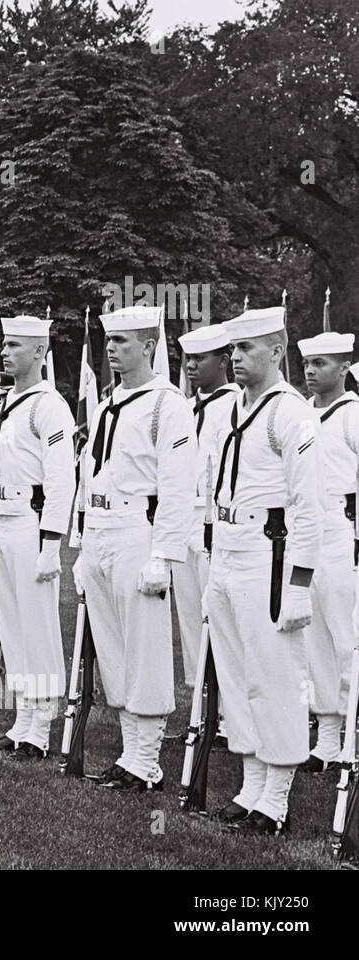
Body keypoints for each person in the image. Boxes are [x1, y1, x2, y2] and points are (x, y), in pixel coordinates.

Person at [203, 307, 321, 833]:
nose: (234, 358)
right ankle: (251, 784)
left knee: (275, 675)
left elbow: (308, 504)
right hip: (228, 549)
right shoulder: (232, 408)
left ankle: (276, 798)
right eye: (231, 350)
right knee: (237, 675)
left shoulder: (290, 413)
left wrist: (299, 583)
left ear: (276, 352)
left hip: (268, 555)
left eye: (246, 349)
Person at [75, 306, 195, 789]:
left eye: (122, 341)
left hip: (138, 528)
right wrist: (82, 543)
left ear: (149, 346)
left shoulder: (168, 405)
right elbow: (89, 474)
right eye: (109, 341)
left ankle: (148, 760)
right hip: (102, 526)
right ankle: (129, 755)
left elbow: (178, 486)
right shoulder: (107, 405)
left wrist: (163, 556)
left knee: (144, 647)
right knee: (113, 647)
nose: (111, 349)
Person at [0, 315, 77, 757]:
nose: (5, 351)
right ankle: (22, 717)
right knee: (14, 627)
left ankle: (41, 726)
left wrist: (52, 542)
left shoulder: (49, 405)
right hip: (2, 517)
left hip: (30, 521)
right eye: (4, 344)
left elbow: (61, 480)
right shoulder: (6, 402)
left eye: (15, 345)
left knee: (37, 626)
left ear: (39, 352)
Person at [297, 331, 358, 773]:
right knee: (313, 637)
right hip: (306, 533)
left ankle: (350, 731)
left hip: (342, 531)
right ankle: (328, 734)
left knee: (346, 638)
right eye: (307, 364)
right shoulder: (300, 416)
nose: (312, 372)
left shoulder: (352, 415)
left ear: (343, 368)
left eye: (321, 364)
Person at [172, 324, 240, 693]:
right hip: (184, 515)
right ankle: (202, 703)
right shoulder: (184, 408)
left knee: (222, 615)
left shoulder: (236, 405)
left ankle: (230, 708)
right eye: (188, 359)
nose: (191, 366)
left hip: (217, 519)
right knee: (190, 615)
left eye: (200, 358)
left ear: (224, 360)